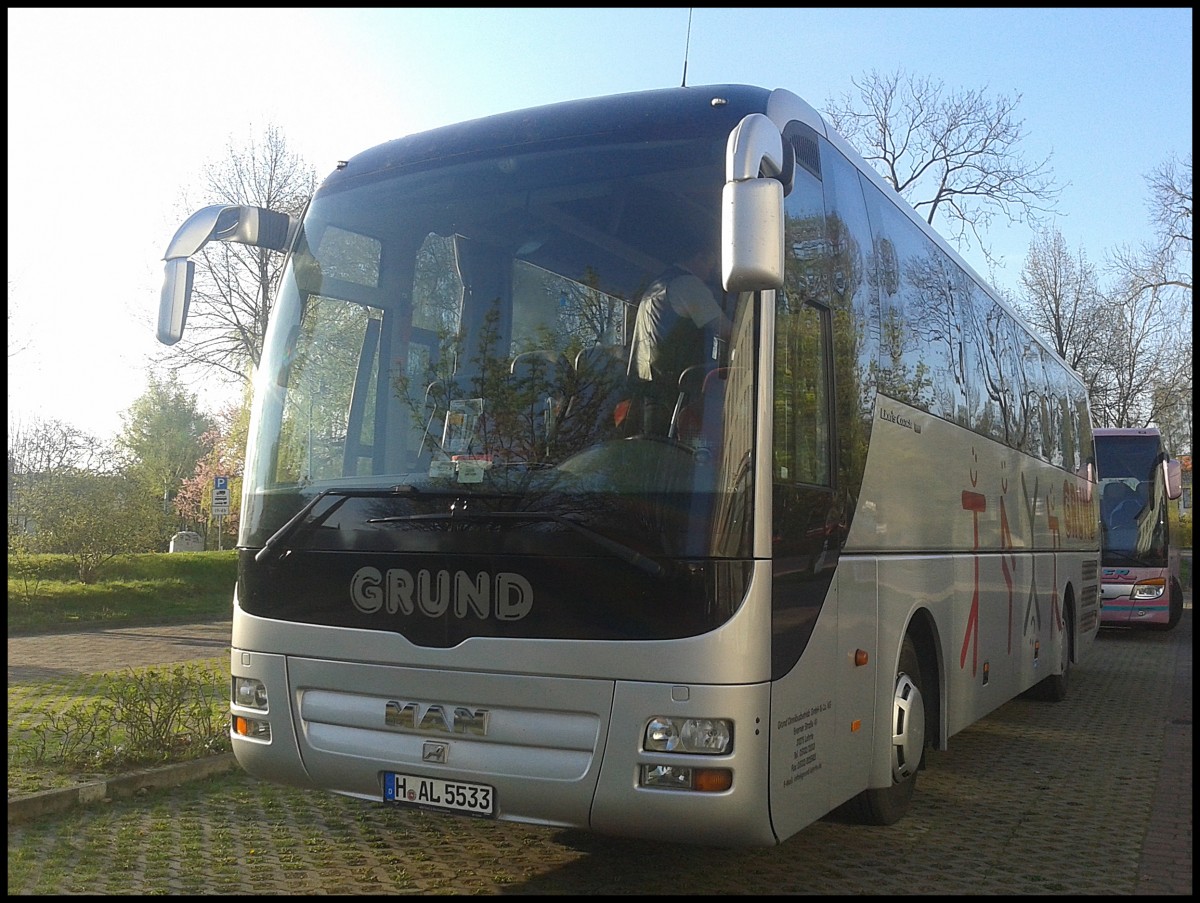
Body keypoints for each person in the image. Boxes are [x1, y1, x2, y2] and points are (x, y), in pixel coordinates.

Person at [626, 240, 730, 436]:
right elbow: (725, 331)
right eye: (711, 264)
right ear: (699, 257)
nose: (711, 272)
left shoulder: (654, 289)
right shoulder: (688, 284)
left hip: (648, 389)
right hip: (678, 395)